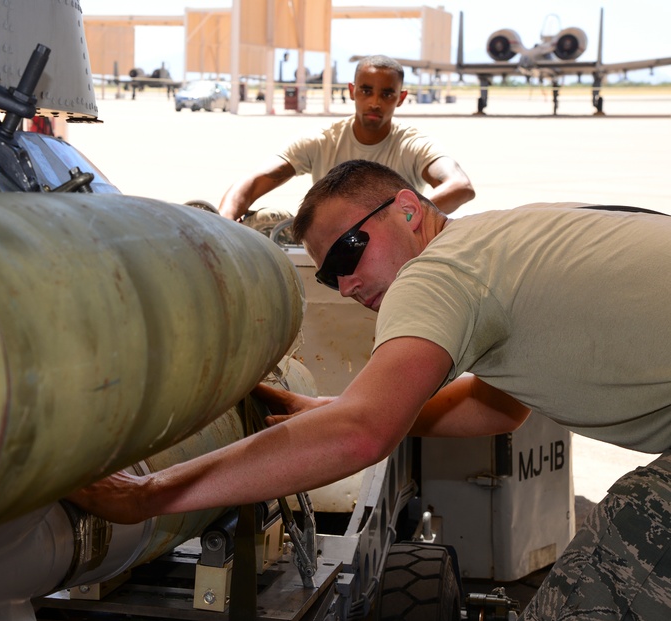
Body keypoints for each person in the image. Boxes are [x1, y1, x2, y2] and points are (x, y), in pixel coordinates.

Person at [71, 159, 671, 618]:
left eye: (351, 250)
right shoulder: (495, 247)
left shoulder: (438, 271)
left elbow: (364, 436)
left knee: (614, 564)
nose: (348, 283)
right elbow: (496, 410)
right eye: (329, 275)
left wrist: (149, 495)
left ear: (408, 210)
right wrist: (327, 410)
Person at [217, 55, 475, 222]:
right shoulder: (321, 141)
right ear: (352, 91)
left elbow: (460, 186)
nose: (375, 102)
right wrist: (223, 224)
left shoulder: (412, 145)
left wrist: (395, 218)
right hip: (330, 248)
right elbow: (252, 183)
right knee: (267, 221)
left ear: (401, 97)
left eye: (387, 94)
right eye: (366, 91)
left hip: (392, 255)